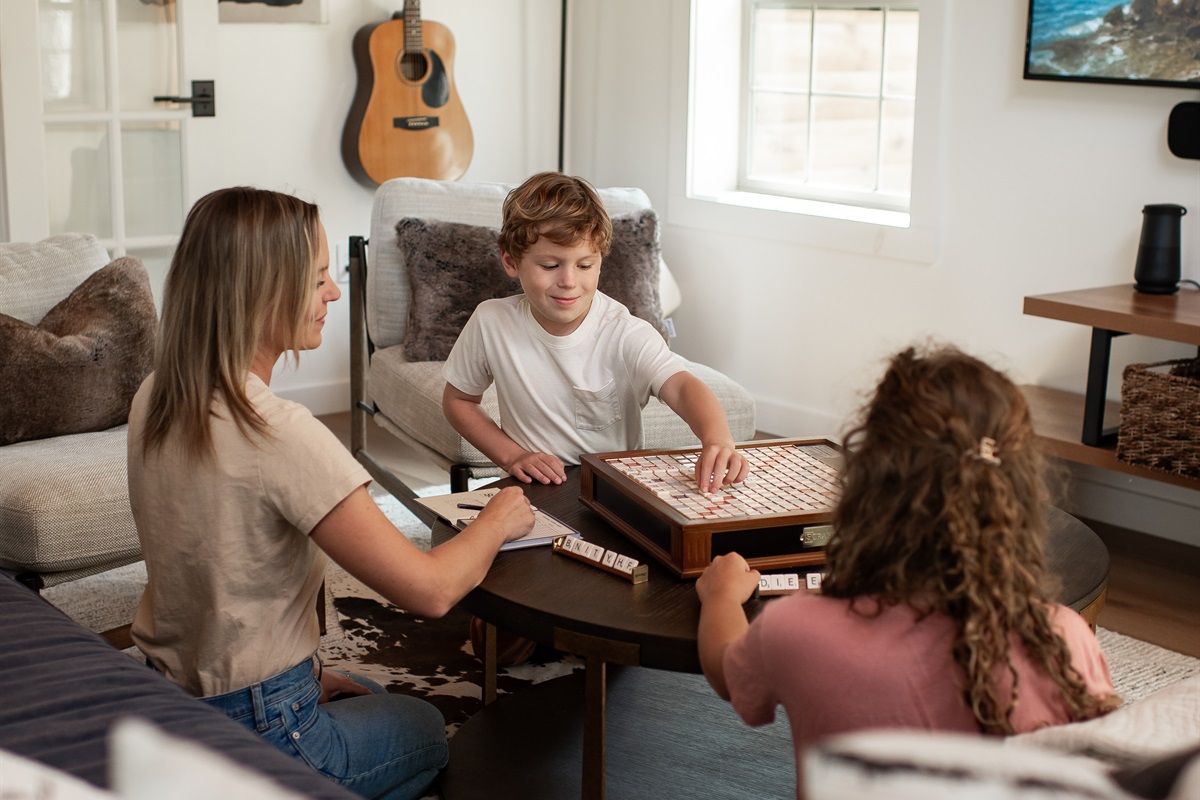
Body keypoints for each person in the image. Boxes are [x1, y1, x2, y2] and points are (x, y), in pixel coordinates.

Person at [127, 187, 535, 800]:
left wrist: (303, 677)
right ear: (264, 290)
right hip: (258, 726)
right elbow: (430, 591)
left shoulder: (155, 395)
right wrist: (500, 516)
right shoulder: (279, 432)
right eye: (319, 278)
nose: (335, 294)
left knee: (369, 702)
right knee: (425, 727)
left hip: (171, 700)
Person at [695, 344, 1120, 798]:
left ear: (865, 484)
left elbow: (726, 672)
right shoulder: (1062, 638)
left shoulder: (798, 628)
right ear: (1012, 496)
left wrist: (720, 596)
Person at [442, 171, 749, 494]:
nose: (569, 281)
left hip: (615, 489)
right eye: (550, 266)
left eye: (585, 265)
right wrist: (513, 456)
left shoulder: (626, 333)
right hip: (533, 487)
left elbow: (683, 386)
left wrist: (717, 438)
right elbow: (459, 400)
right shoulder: (491, 322)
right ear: (510, 260)